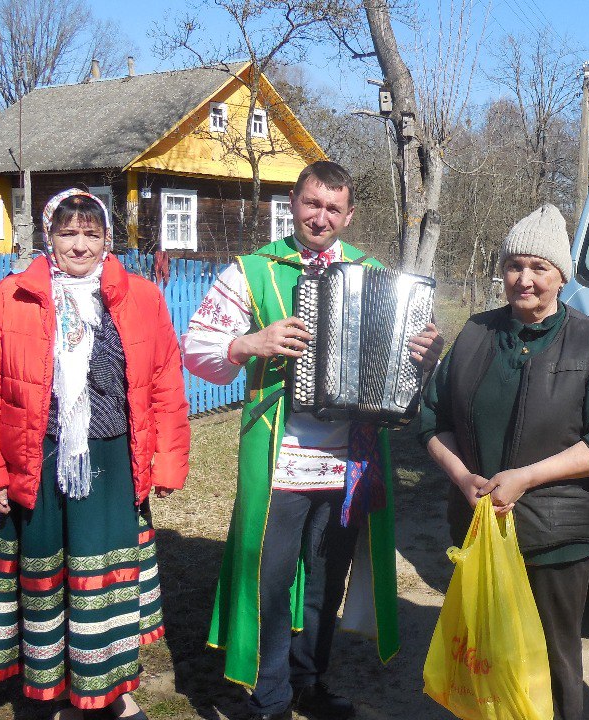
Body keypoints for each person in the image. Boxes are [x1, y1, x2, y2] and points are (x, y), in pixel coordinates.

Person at [183, 161, 443, 720]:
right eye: (311, 204)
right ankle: (268, 693)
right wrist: (252, 342)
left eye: (332, 208)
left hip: (349, 457)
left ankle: (311, 680)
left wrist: (423, 354)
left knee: (328, 574)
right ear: (293, 204)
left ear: (347, 215)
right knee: (271, 576)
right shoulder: (250, 271)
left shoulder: (373, 273)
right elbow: (196, 350)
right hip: (281, 451)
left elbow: (401, 368)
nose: (320, 216)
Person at [0, 189, 190, 720]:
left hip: (113, 465)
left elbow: (165, 384)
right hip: (38, 464)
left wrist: (168, 462)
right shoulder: (10, 297)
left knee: (105, 585)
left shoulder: (142, 298)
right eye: (69, 233)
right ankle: (57, 692)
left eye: (91, 233)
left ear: (108, 237)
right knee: (50, 580)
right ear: (50, 237)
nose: (80, 245)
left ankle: (114, 689)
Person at [420, 204, 589, 720]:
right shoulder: (475, 334)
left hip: (557, 538)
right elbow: (433, 419)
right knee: (486, 658)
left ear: (561, 276)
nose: (525, 279)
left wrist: (526, 478)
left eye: (539, 268)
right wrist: (461, 476)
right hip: (480, 530)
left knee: (551, 659)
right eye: (515, 265)